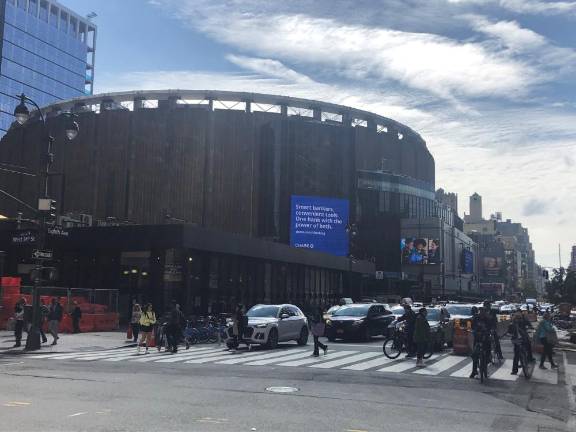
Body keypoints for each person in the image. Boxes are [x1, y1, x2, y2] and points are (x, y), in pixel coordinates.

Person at [470, 306, 492, 379]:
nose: (482, 313)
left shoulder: (488, 319)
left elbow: (491, 327)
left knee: (488, 348)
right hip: (477, 337)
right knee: (474, 354)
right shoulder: (476, 318)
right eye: (480, 311)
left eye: (483, 312)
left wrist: (490, 332)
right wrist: (473, 331)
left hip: (485, 337)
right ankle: (474, 371)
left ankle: (488, 359)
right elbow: (472, 326)